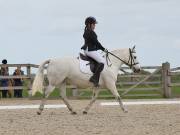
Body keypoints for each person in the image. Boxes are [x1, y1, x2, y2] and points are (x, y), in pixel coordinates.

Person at [81, 16, 107, 87]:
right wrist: (103, 49)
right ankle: (94, 78)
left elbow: (93, 43)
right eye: (93, 24)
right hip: (90, 50)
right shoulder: (91, 32)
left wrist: (99, 48)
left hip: (89, 49)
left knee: (99, 60)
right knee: (102, 62)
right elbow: (96, 43)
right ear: (89, 24)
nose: (94, 26)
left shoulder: (87, 31)